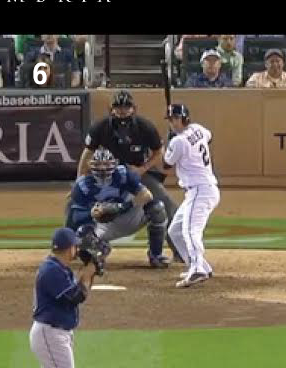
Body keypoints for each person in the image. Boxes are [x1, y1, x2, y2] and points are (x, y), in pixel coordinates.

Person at [78, 90, 181, 262]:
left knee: (166, 204)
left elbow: (158, 152)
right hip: (109, 176)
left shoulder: (144, 126)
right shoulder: (101, 127)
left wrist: (142, 169)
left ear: (133, 108)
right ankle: (82, 244)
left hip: (137, 173)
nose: (122, 111)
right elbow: (87, 154)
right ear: (111, 109)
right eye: (118, 107)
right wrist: (79, 180)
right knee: (80, 204)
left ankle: (177, 250)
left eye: (126, 107)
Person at [30, 227, 97, 368]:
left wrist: (90, 274)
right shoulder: (51, 271)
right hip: (50, 333)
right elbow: (75, 296)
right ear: (69, 248)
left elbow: (80, 295)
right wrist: (86, 274)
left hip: (54, 332)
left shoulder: (59, 268)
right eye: (75, 246)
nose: (78, 249)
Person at [66, 148, 169, 269]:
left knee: (157, 208)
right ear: (91, 165)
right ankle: (100, 249)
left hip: (129, 216)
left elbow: (147, 195)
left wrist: (121, 207)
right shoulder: (83, 185)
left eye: (106, 164)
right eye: (99, 165)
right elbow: (75, 216)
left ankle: (156, 255)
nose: (102, 168)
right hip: (104, 225)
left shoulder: (123, 174)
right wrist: (91, 213)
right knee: (83, 238)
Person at [163, 104, 221, 288]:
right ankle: (201, 266)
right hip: (202, 190)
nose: (172, 123)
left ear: (184, 118)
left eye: (175, 119)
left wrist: (170, 144)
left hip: (199, 190)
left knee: (190, 231)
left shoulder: (178, 141)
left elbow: (166, 163)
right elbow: (209, 137)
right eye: (170, 120)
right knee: (175, 231)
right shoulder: (198, 129)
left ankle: (197, 270)